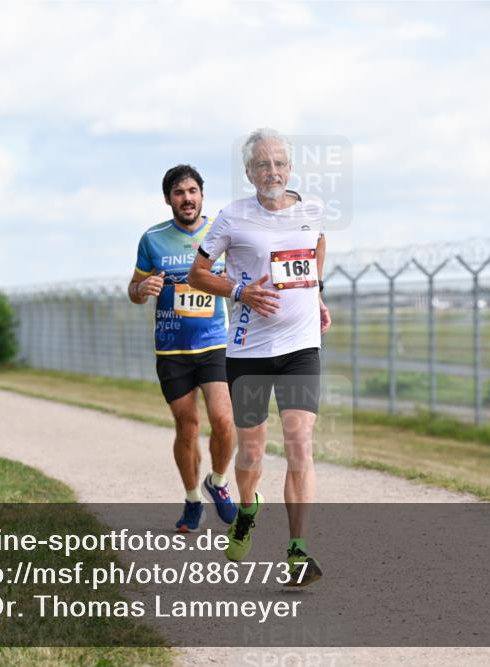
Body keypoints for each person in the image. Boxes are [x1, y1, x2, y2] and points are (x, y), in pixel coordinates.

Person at [188, 128, 331, 587]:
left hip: (302, 348)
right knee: (250, 452)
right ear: (249, 172)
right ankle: (248, 509)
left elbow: (317, 247)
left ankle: (297, 552)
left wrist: (317, 294)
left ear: (290, 168)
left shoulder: (311, 211)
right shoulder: (232, 218)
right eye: (263, 165)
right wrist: (238, 290)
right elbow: (197, 273)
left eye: (280, 163)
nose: (273, 171)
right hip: (248, 351)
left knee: (299, 444)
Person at [129, 164, 237, 533]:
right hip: (172, 348)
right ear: (168, 199)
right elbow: (134, 289)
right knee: (187, 427)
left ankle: (218, 483)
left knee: (224, 420)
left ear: (202, 195)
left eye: (192, 191)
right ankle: (192, 499)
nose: (186, 198)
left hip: (215, 343)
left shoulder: (220, 232)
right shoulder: (152, 238)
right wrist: (142, 291)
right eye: (179, 193)